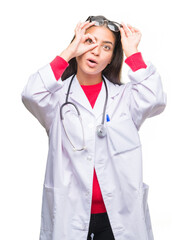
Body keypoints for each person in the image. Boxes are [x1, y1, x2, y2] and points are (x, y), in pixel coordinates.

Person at [22, 15, 166, 240]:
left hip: (118, 216)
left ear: (111, 58)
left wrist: (133, 53)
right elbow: (31, 94)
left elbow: (155, 99)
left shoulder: (125, 97)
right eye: (89, 42)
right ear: (78, 45)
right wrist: (69, 51)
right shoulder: (56, 98)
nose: (97, 51)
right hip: (70, 214)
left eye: (106, 47)